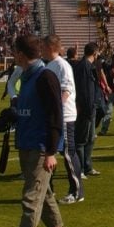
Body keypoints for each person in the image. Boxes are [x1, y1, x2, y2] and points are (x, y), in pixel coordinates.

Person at [0, 34, 71, 227]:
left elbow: (56, 115)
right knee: (44, 195)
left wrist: (50, 151)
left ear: (19, 54)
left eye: (14, 52)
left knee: (31, 196)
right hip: (26, 144)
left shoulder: (45, 76)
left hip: (40, 147)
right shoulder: (27, 78)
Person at [41, 35, 82, 204]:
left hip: (64, 116)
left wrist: (56, 108)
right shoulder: (49, 65)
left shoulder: (62, 65)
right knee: (52, 151)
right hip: (55, 115)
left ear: (50, 47)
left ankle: (77, 191)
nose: (41, 49)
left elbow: (67, 90)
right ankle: (49, 190)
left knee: (68, 152)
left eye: (43, 46)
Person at [71, 43, 106, 177]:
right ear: (95, 53)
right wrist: (86, 108)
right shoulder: (84, 67)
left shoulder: (87, 66)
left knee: (90, 138)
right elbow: (84, 91)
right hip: (86, 109)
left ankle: (87, 167)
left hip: (90, 108)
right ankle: (79, 169)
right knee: (81, 139)